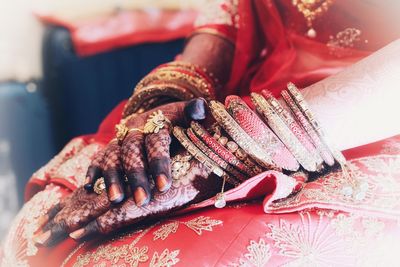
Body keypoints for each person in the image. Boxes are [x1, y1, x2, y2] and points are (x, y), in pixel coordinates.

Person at [2, 1, 400, 266]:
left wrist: (232, 147)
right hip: (245, 103)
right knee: (44, 231)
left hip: (362, 127)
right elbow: (226, 17)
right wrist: (159, 107)